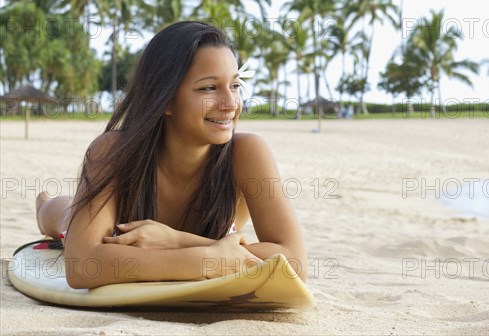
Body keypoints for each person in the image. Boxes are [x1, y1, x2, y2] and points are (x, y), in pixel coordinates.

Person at [34, 21, 308, 289]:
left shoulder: (247, 153)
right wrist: (207, 259)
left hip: (187, 236)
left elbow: (294, 263)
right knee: (67, 218)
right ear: (164, 99)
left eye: (235, 85)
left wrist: (178, 241)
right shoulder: (112, 151)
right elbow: (83, 265)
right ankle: (48, 206)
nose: (230, 103)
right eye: (209, 88)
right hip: (116, 223)